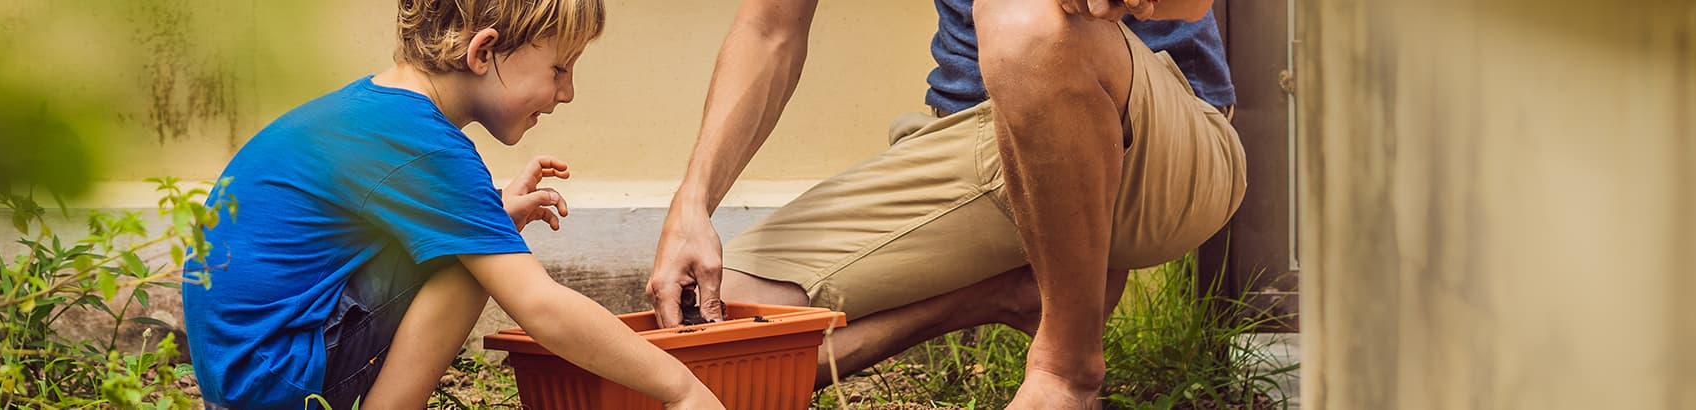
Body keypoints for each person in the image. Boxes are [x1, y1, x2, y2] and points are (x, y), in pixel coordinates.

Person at [644, 0, 1246, 407]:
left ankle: (1064, 369)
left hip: (1158, 138)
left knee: (1017, 12)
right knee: (705, 342)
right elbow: (769, 29)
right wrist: (692, 205)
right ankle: (1001, 293)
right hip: (972, 142)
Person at [182, 0, 721, 408]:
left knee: (473, 240)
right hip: (281, 377)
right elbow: (542, 307)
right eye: (560, 69)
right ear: (483, 52)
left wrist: (489, 212)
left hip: (249, 372)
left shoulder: (375, 112)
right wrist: (682, 390)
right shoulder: (426, 146)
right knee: (473, 264)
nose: (568, 92)